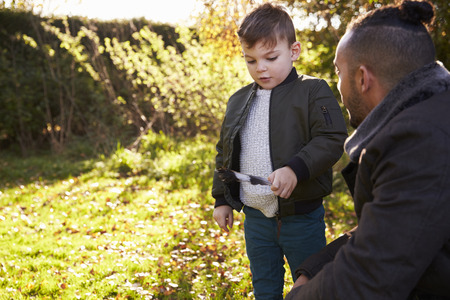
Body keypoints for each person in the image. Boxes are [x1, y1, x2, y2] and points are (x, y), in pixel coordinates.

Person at [286, 0, 450, 299]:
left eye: (339, 72)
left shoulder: (421, 141)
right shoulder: (431, 116)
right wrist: (314, 267)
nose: (338, 85)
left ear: (363, 79)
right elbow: (393, 228)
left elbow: (369, 279)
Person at [211, 3, 348, 299]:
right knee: (265, 286)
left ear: (294, 51)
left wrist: (295, 169)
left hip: (301, 218)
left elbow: (331, 137)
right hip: (256, 219)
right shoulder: (238, 100)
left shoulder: (312, 91)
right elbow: (224, 150)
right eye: (251, 60)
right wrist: (222, 198)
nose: (260, 67)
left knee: (312, 286)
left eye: (270, 58)